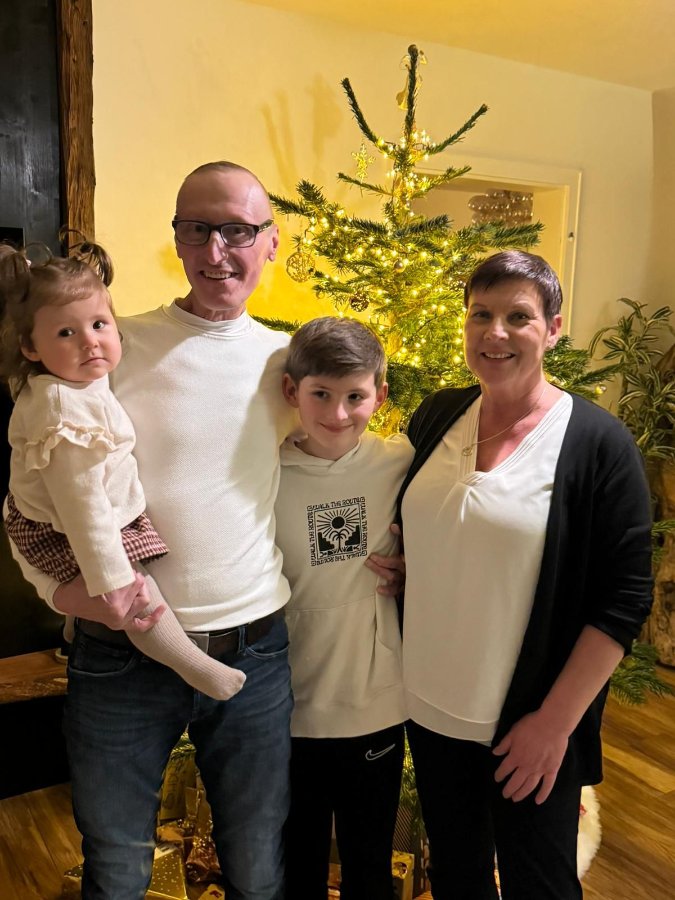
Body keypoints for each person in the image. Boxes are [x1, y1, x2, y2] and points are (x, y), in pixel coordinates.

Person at [6, 162, 298, 900]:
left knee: (258, 864)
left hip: (255, 651)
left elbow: (338, 463)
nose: (217, 250)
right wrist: (58, 591)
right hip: (118, 661)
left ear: (271, 242)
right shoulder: (109, 345)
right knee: (116, 865)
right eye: (197, 229)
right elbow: (33, 492)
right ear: (177, 239)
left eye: (238, 230)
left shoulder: (288, 361)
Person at [396, 250, 653, 900]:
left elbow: (623, 601)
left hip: (527, 725)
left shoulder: (598, 444)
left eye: (518, 316)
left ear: (553, 328)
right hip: (429, 709)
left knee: (539, 884)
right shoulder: (436, 416)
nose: (495, 333)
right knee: (456, 877)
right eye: (479, 314)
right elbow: (425, 528)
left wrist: (553, 725)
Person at [0, 239, 245, 702]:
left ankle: (75, 620)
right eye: (66, 333)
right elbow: (84, 510)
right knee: (137, 594)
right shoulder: (65, 415)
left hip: (52, 516)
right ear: (31, 348)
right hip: (65, 529)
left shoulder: (69, 381)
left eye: (99, 324)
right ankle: (194, 665)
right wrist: (113, 585)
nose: (89, 341)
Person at [275, 317, 413, 900]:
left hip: (373, 705)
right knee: (297, 862)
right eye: (321, 395)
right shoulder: (265, 472)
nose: (338, 414)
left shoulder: (401, 463)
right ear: (292, 391)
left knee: (368, 862)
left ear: (379, 395)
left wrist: (415, 569)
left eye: (355, 397)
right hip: (287, 708)